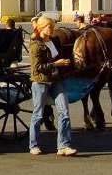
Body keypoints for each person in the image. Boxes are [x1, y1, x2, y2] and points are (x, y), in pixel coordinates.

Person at [28, 15, 76, 156]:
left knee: (64, 111)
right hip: (41, 82)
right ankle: (34, 145)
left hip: (56, 81)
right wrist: (57, 64)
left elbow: (59, 56)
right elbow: (37, 68)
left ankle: (63, 146)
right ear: (42, 28)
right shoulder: (35, 45)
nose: (53, 29)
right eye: (50, 27)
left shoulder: (53, 41)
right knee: (38, 115)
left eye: (53, 27)